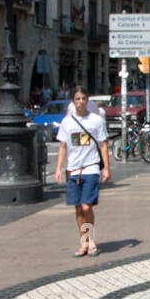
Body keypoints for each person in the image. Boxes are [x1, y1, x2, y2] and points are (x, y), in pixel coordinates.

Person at [54, 85, 110, 258]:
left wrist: (106, 168)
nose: (81, 102)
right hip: (73, 169)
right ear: (73, 101)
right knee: (78, 208)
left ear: (88, 100)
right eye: (77, 99)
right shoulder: (67, 122)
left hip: (91, 168)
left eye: (83, 99)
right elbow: (63, 146)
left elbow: (103, 145)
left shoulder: (96, 120)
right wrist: (58, 168)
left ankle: (90, 239)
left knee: (87, 206)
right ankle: (84, 242)